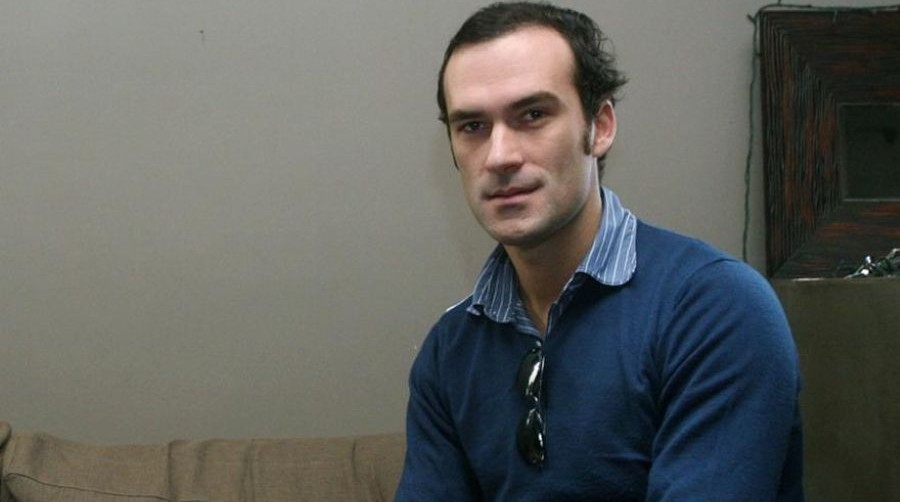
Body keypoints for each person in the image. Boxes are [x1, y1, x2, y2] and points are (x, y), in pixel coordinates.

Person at [395, 2, 803, 501]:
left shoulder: (715, 309)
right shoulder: (451, 350)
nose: (499, 156)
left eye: (533, 115)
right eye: (472, 126)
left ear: (600, 126)